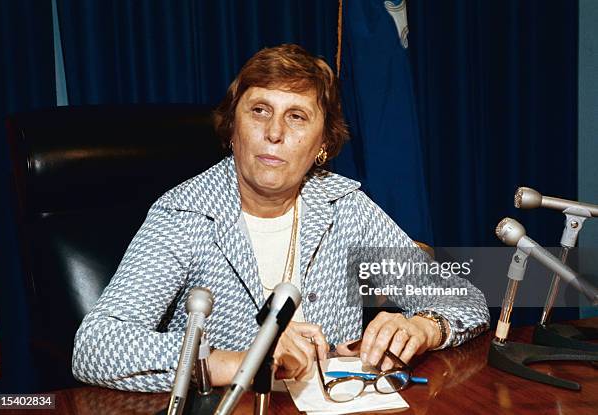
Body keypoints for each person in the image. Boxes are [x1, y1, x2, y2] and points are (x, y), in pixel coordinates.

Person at [72, 44, 490, 392]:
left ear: (322, 146)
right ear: (232, 129)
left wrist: (424, 325)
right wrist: (237, 362)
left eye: (296, 116)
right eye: (259, 111)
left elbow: (466, 298)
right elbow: (95, 346)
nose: (274, 132)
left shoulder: (345, 207)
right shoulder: (185, 214)